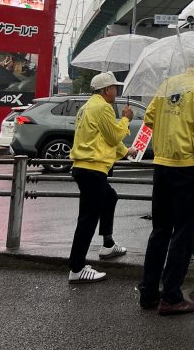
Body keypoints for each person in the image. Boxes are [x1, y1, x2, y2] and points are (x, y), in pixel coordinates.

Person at [138, 54, 194, 315]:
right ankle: (171, 297)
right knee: (183, 233)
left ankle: (148, 292)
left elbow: (149, 117)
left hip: (162, 165)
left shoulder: (167, 84)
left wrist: (170, 126)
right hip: (187, 168)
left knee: (160, 230)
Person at [67, 72, 136, 284]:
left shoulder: (87, 107)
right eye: (114, 87)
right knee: (87, 219)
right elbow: (114, 135)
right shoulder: (103, 107)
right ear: (106, 90)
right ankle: (77, 269)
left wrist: (126, 152)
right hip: (93, 169)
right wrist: (126, 119)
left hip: (84, 167)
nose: (116, 91)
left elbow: (105, 138)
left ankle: (108, 244)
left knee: (110, 197)